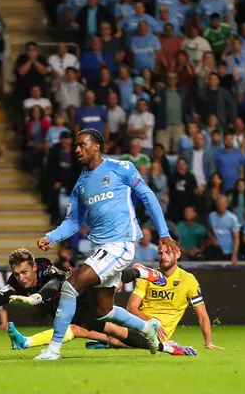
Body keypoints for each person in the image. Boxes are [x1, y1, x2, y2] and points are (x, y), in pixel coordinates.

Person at [33, 128, 178, 360]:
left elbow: (147, 195)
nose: (77, 149)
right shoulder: (80, 184)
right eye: (76, 146)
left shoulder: (121, 168)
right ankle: (147, 327)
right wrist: (52, 236)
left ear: (97, 146)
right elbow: (72, 222)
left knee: (71, 285)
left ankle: (54, 349)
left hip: (120, 244)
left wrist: (163, 233)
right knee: (103, 312)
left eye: (82, 145)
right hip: (99, 248)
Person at [0, 248, 194, 356]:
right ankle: (166, 347)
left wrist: (36, 297)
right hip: (72, 313)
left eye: (24, 272)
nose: (22, 278)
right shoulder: (16, 281)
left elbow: (55, 286)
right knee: (111, 332)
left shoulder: (43, 267)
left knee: (108, 282)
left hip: (80, 293)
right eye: (17, 274)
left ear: (33, 266)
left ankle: (138, 270)